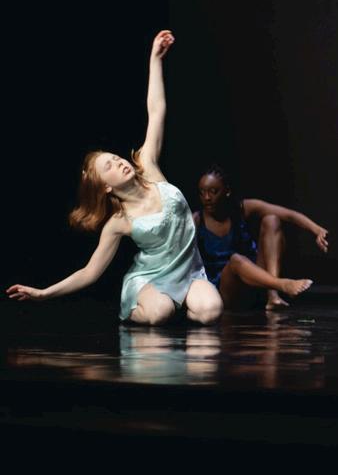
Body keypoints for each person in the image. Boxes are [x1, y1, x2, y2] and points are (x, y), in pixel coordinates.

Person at [7, 31, 222, 325]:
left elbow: (156, 110)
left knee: (211, 311)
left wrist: (155, 59)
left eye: (116, 157)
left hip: (189, 273)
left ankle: (180, 304)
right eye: (110, 165)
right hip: (150, 278)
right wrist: (44, 294)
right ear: (106, 187)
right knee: (159, 313)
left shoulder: (148, 166)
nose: (120, 161)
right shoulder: (119, 222)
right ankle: (139, 307)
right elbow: (90, 272)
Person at [194, 165, 324, 310]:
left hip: (254, 279)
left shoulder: (241, 208)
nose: (207, 198)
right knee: (236, 260)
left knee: (272, 220)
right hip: (226, 290)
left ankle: (273, 295)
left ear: (227, 191)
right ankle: (282, 284)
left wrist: (317, 230)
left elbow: (288, 215)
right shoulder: (197, 220)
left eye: (213, 192)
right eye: (202, 192)